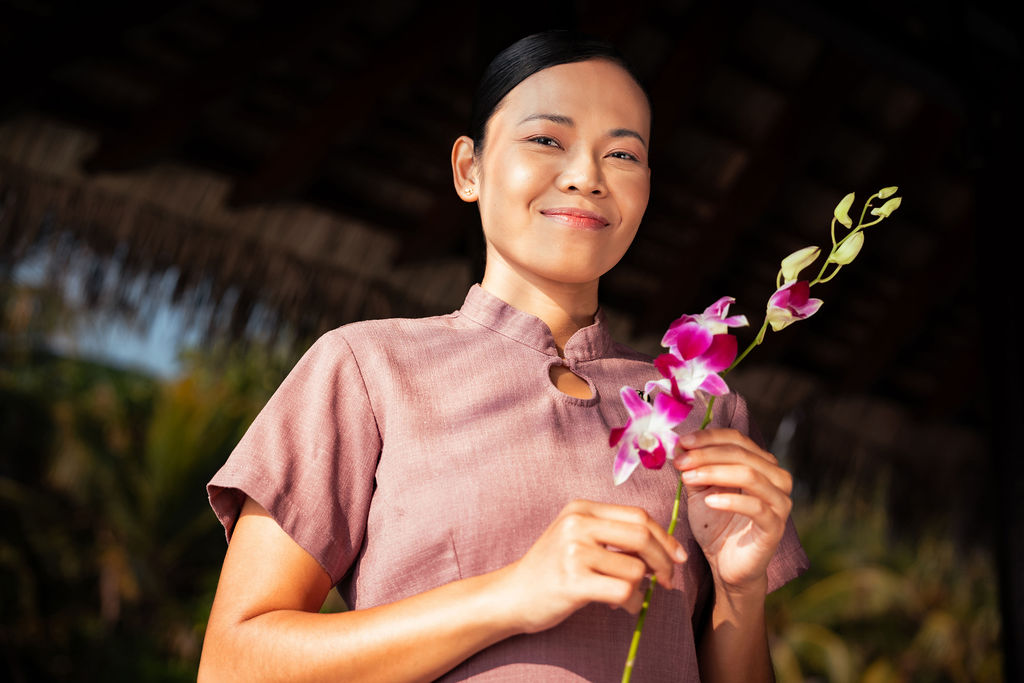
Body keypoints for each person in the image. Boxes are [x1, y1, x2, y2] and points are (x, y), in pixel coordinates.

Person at [199, 31, 808, 682]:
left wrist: (739, 592)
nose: (586, 177)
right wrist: (510, 594)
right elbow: (235, 665)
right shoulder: (366, 368)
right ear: (469, 168)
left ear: (647, 190)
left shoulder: (704, 403)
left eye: (623, 154)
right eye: (548, 139)